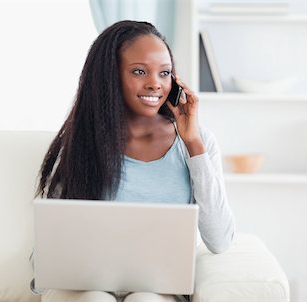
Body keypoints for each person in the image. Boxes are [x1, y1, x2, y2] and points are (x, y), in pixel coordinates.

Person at [33, 20, 235, 302]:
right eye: (139, 71)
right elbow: (48, 248)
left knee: (145, 300)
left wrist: (193, 143)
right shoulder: (80, 141)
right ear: (109, 76)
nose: (155, 83)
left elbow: (220, 240)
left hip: (158, 289)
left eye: (165, 73)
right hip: (84, 286)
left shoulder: (198, 143)